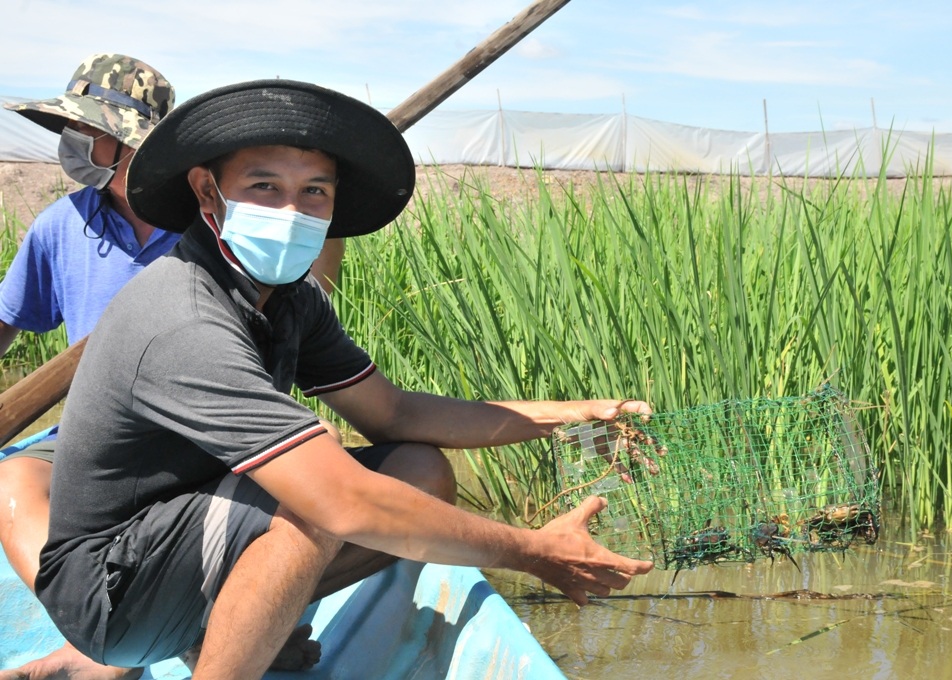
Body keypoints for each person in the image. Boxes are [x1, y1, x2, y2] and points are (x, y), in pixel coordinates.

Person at [32, 78, 654, 679]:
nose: (293, 212)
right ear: (206, 191)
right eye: (265, 187)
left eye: (314, 194)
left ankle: (232, 628)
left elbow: (394, 414)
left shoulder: (282, 299)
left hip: (186, 540)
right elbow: (344, 502)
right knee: (314, 496)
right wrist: (533, 550)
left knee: (421, 471)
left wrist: (572, 417)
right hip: (107, 591)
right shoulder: (182, 318)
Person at [0, 57, 343, 680]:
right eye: (71, 132)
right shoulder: (60, 225)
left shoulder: (222, 226)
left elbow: (304, 296)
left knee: (323, 499)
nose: (74, 147)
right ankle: (101, 637)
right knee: (11, 483)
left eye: (90, 133)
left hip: (221, 433)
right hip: (105, 440)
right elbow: (8, 321)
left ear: (134, 144)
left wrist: (317, 214)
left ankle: (206, 619)